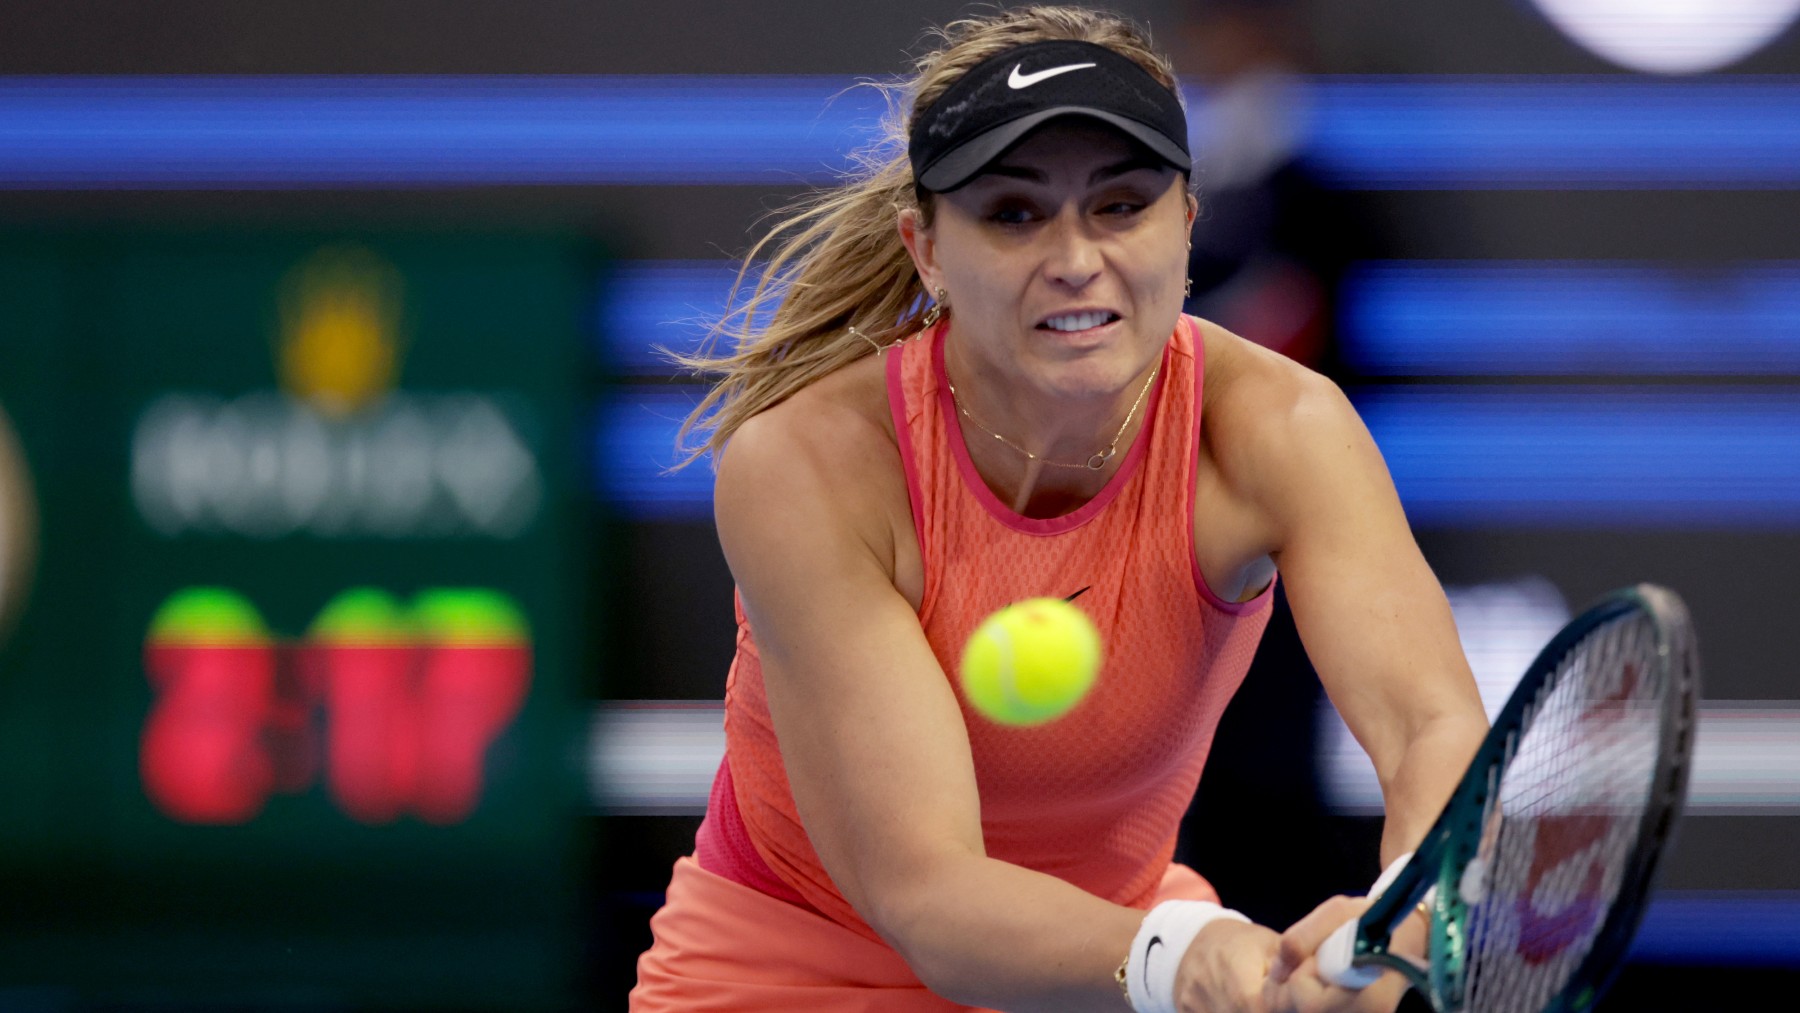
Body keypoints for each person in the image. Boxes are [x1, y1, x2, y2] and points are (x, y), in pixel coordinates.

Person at [631, 7, 1488, 1012]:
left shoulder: (1284, 427)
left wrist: (1406, 913)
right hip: (793, 977)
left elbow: (1433, 723)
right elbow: (930, 892)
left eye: (1123, 205)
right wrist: (1191, 953)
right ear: (927, 246)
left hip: (1112, 959)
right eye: (1015, 213)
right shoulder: (809, 462)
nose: (1077, 257)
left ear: (1189, 221)